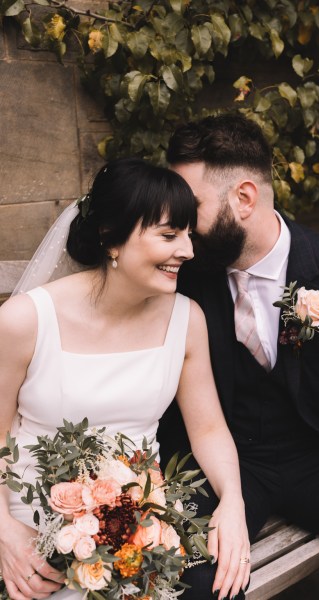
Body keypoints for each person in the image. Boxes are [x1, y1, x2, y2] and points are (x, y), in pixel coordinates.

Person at [157, 113, 319, 599]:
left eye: (193, 207)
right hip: (221, 461)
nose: (181, 228)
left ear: (244, 199)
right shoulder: (181, 269)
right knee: (197, 584)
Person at [0, 158, 250, 600]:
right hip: (27, 523)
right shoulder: (25, 321)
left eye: (188, 234)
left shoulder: (187, 320)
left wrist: (232, 501)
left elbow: (208, 428)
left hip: (138, 529)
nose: (188, 250)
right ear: (110, 238)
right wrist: (5, 534)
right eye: (169, 235)